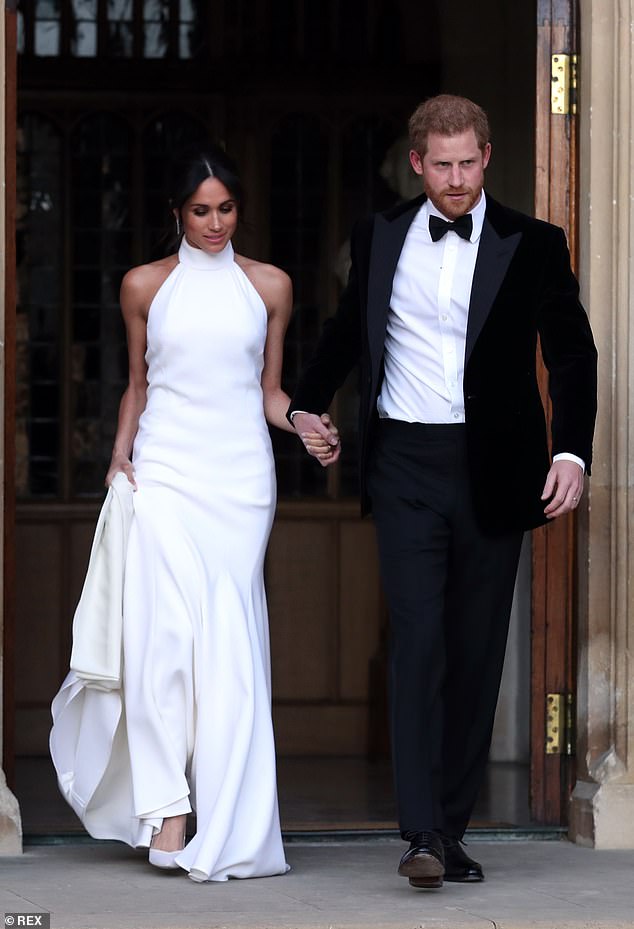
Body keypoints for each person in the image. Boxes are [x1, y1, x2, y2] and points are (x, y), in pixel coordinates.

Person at [289, 95, 597, 889]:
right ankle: (420, 830)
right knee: (419, 641)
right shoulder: (381, 234)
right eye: (442, 164)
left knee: (474, 652)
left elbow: (572, 355)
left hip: (496, 469)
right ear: (417, 162)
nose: (456, 180)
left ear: (486, 157)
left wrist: (570, 451)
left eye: (469, 163)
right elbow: (346, 335)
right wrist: (304, 403)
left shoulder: (534, 244)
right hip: (405, 466)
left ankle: (451, 830)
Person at [50, 144, 337, 882]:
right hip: (167, 473)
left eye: (226, 208)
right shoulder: (144, 284)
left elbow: (268, 390)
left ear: (240, 209)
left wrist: (302, 420)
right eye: (201, 210)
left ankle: (230, 817)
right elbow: (139, 384)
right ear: (177, 212)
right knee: (162, 644)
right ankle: (168, 808)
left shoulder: (269, 285)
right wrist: (120, 458)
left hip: (241, 482)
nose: (215, 223)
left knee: (230, 650)